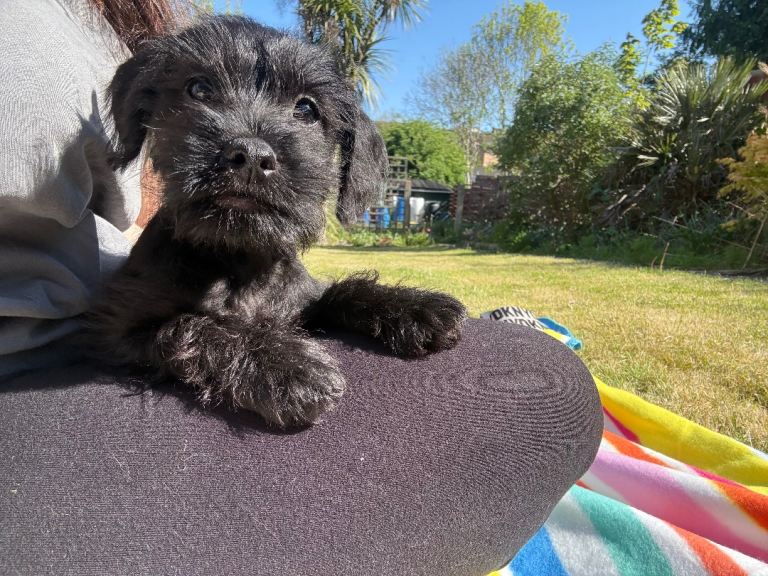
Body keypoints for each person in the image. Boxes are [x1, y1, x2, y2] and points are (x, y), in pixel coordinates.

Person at [0, 1, 603, 574]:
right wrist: (229, 349)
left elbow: (304, 298)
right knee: (541, 394)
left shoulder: (288, 275)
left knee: (545, 383)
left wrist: (357, 303)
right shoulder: (153, 280)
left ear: (345, 155)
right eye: (200, 91)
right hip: (55, 428)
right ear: (142, 111)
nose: (249, 146)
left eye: (307, 110)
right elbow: (124, 331)